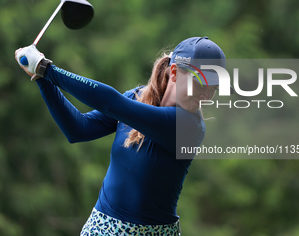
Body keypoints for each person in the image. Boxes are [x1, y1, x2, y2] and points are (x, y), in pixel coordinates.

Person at [14, 36, 226, 235]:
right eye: (200, 82)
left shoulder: (189, 126)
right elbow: (77, 129)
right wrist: (42, 78)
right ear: (174, 72)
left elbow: (111, 103)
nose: (207, 95)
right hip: (100, 228)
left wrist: (46, 68)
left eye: (214, 88)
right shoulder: (137, 97)